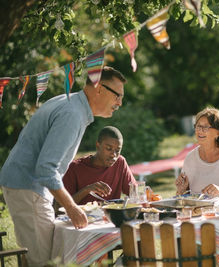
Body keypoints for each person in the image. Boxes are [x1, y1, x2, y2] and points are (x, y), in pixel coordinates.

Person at [0, 66, 126, 266]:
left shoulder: (71, 103)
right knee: (43, 262)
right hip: (28, 187)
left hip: (25, 186)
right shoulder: (72, 114)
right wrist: (71, 207)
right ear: (99, 88)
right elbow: (46, 169)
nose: (120, 102)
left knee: (34, 257)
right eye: (117, 95)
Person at [175, 107, 219, 201]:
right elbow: (184, 197)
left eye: (205, 127)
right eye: (198, 126)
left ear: (218, 132)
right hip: (197, 214)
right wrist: (181, 190)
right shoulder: (190, 158)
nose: (200, 130)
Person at [62, 126, 136, 205]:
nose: (113, 155)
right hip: (83, 216)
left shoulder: (120, 163)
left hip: (111, 216)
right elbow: (59, 207)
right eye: (108, 148)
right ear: (98, 145)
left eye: (117, 150)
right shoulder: (74, 167)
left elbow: (135, 194)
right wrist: (87, 190)